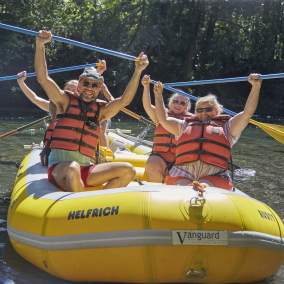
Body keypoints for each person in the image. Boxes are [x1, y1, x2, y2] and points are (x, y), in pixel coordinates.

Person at [35, 30, 149, 192]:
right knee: (73, 168)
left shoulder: (101, 110)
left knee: (128, 170)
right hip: (61, 168)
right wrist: (40, 46)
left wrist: (138, 71)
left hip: (87, 169)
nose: (89, 88)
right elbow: (43, 79)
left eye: (94, 85)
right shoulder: (64, 101)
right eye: (86, 83)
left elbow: (124, 100)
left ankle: (99, 204)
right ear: (79, 84)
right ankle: (80, 207)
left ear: (99, 88)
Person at [153, 74, 262, 190]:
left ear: (217, 111)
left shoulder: (228, 127)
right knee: (183, 184)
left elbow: (247, 113)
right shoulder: (184, 125)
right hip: (183, 173)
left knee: (205, 183)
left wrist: (255, 87)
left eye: (208, 109)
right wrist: (158, 95)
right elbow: (163, 119)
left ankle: (202, 186)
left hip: (214, 176)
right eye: (199, 110)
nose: (203, 113)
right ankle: (194, 187)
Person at [17, 71, 78, 166]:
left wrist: (98, 73)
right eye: (68, 89)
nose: (71, 91)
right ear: (62, 92)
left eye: (74, 89)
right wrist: (21, 83)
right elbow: (35, 98)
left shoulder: (86, 107)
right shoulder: (54, 106)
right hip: (56, 150)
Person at [141, 74, 192, 182]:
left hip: (181, 160)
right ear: (170, 103)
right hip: (159, 157)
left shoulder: (192, 120)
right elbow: (147, 106)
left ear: (187, 107)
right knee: (153, 165)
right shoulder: (161, 115)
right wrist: (146, 87)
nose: (178, 105)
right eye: (175, 101)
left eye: (182, 103)